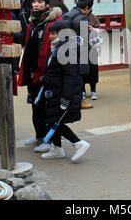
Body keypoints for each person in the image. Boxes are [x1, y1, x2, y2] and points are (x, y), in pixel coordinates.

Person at [38, 20, 91, 161]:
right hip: (54, 91)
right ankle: (57, 148)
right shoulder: (58, 48)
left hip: (61, 92)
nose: (51, 36)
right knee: (51, 119)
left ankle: (78, 143)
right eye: (50, 33)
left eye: (54, 33)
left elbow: (70, 75)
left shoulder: (66, 50)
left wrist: (66, 97)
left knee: (56, 122)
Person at [18, 0, 63, 151]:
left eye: (39, 1)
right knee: (36, 106)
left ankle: (49, 141)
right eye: (34, 1)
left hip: (49, 73)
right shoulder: (33, 23)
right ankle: (39, 136)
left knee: (48, 108)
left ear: (48, 5)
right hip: (33, 73)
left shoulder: (55, 23)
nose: (35, 4)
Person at [62, 0, 95, 109]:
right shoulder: (82, 19)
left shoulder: (67, 15)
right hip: (79, 53)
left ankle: (69, 101)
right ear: (86, 8)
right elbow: (85, 40)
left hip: (66, 51)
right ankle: (79, 102)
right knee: (79, 78)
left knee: (69, 78)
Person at [83, 12, 101, 100]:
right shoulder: (78, 17)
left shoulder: (93, 17)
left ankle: (93, 90)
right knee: (81, 69)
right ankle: (82, 91)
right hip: (81, 48)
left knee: (93, 70)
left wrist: (92, 29)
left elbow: (99, 30)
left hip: (92, 47)